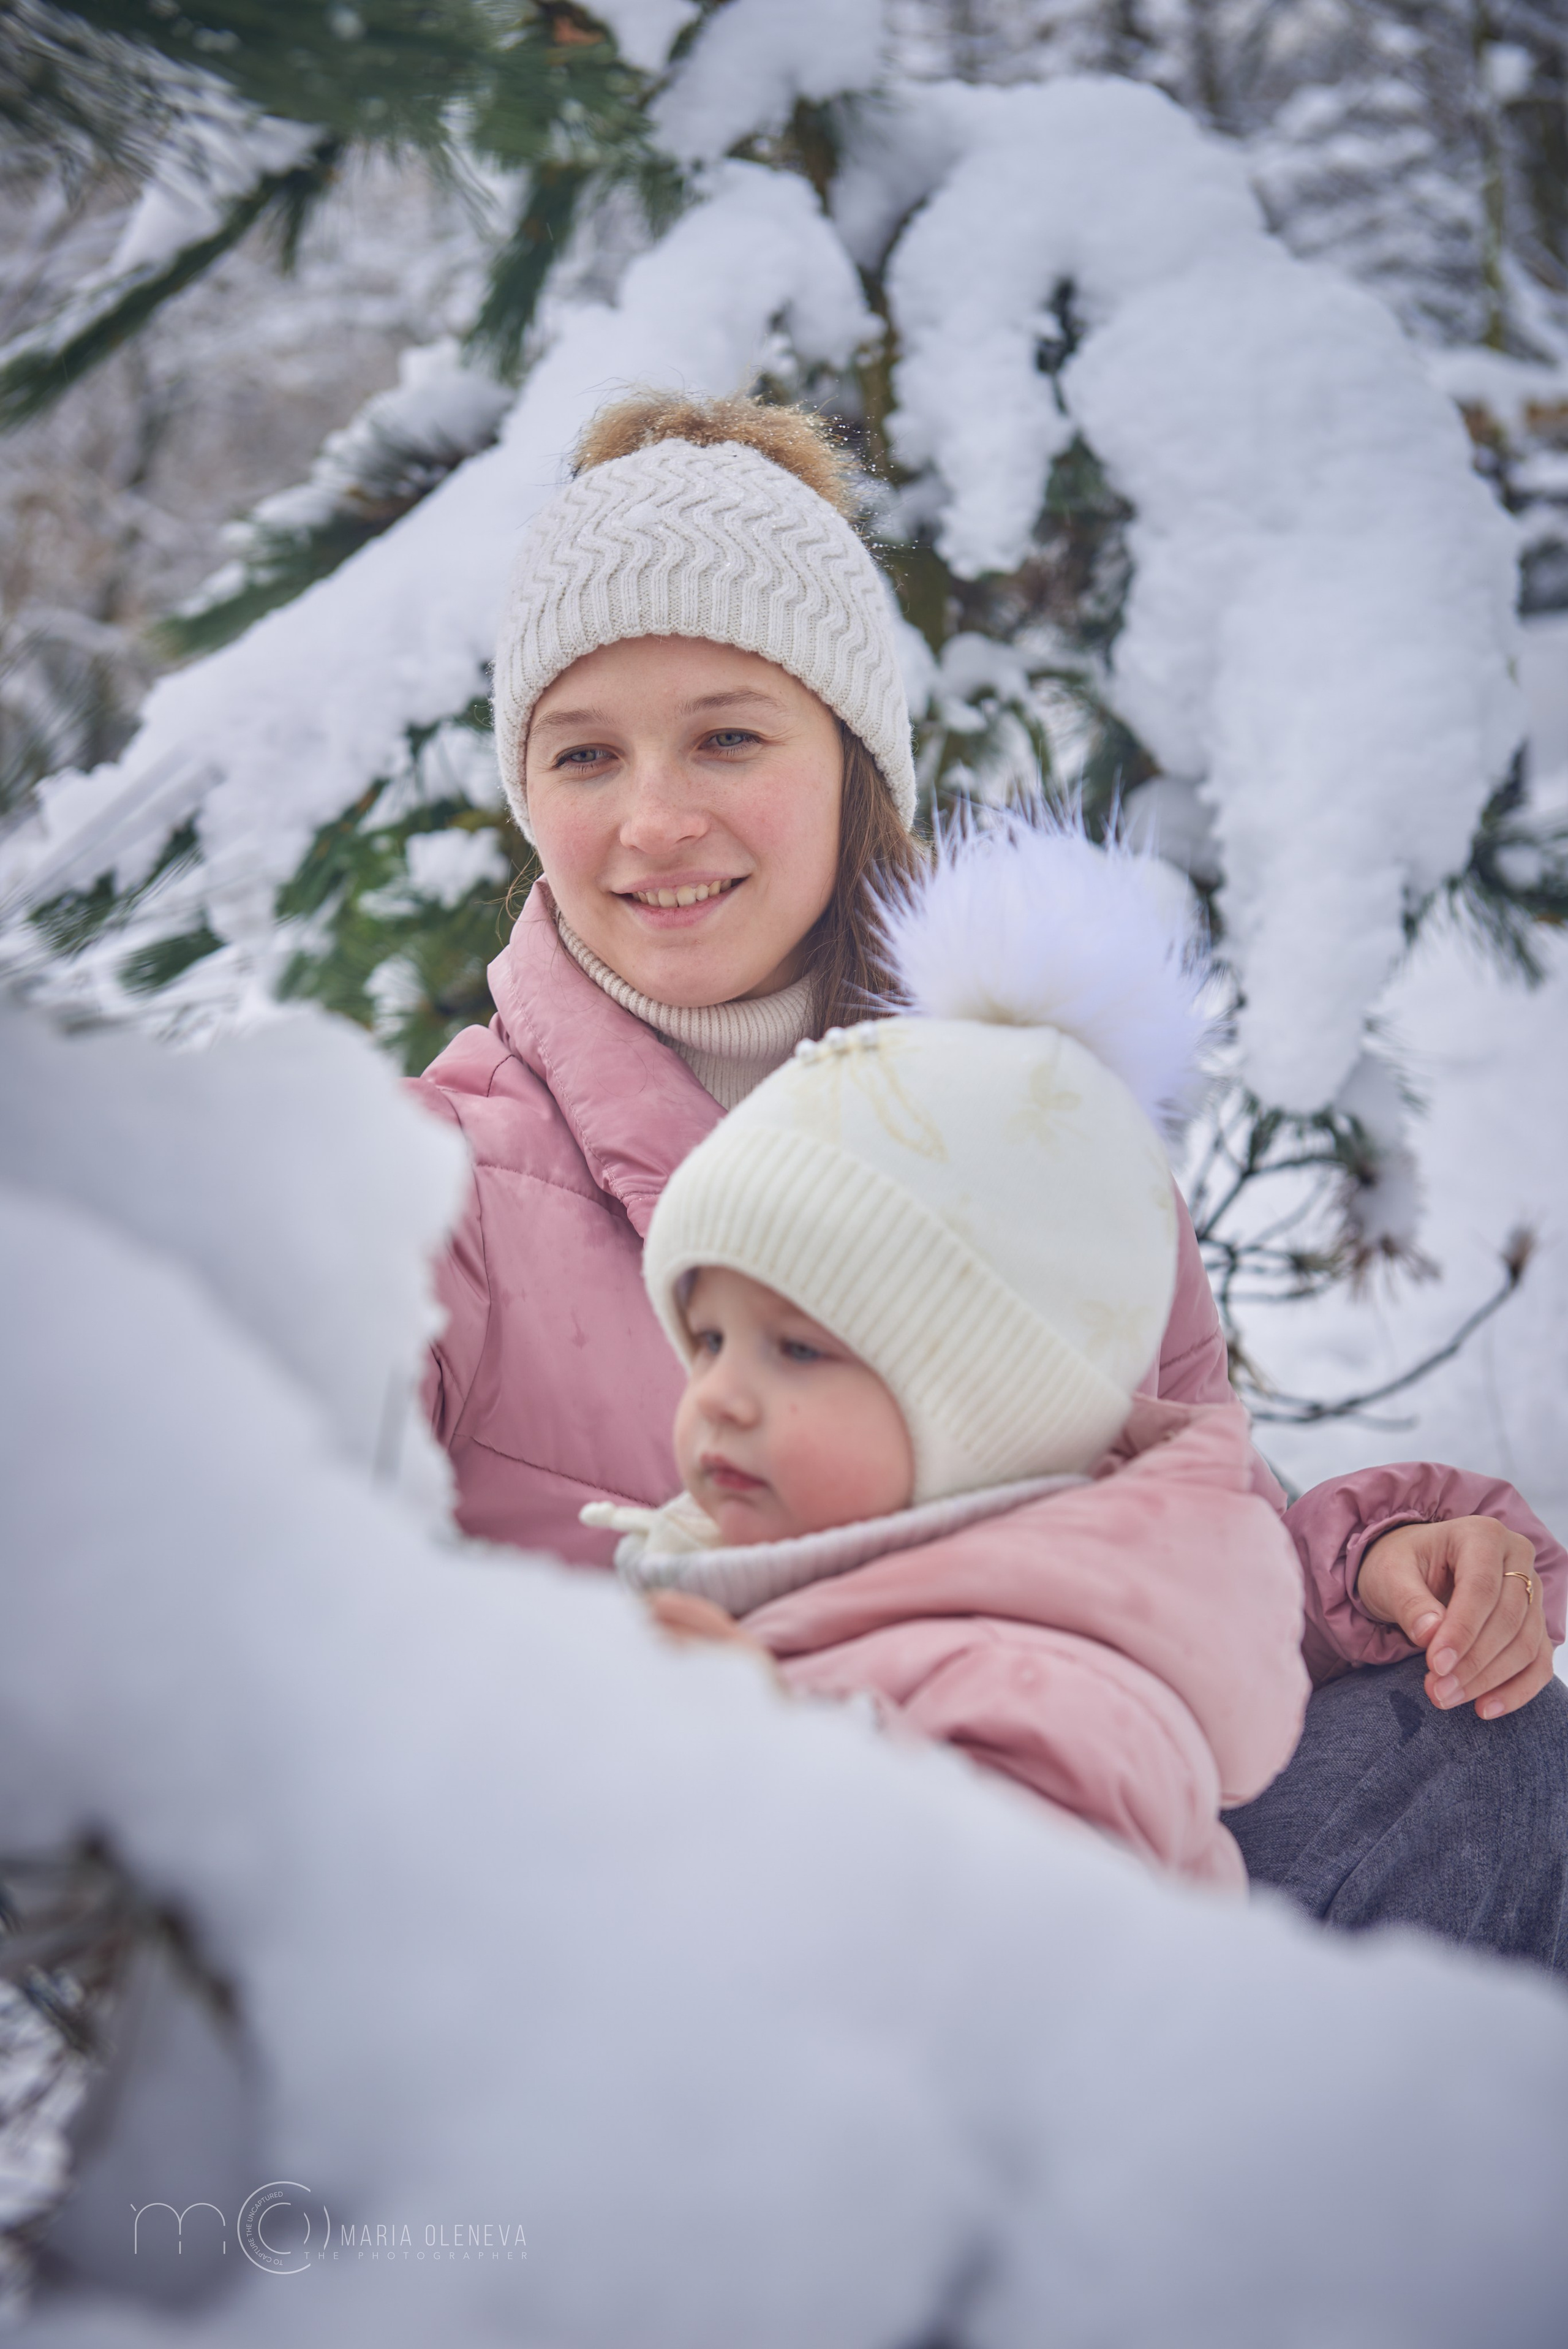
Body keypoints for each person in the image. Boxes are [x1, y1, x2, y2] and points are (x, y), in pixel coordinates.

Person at [412, 391, 1568, 1968]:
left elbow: (1163, 1538)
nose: (653, 818)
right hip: (694, 1947)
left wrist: (1372, 1562)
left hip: (1069, 1852)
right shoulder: (436, 1192)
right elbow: (295, 1642)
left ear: (848, 757)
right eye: (584, 755)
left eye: (728, 736)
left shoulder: (1033, 1132)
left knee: (1481, 1750)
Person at [581, 818, 1314, 1889]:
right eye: (708, 1340)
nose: (721, 1397)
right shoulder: (758, 1580)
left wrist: (778, 1758)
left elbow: (1021, 1958)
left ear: (989, 1413)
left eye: (797, 1348)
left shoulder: (1060, 1688)